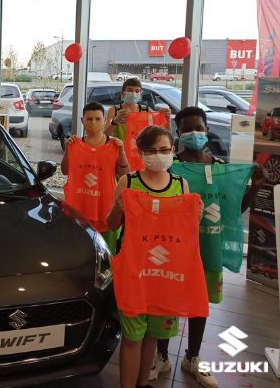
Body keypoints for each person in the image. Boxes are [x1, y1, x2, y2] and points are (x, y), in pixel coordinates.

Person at [150, 106, 266, 387]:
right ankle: (162, 355)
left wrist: (254, 187)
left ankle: (192, 357)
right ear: (178, 133)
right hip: (176, 251)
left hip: (208, 250)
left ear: (207, 130)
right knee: (169, 302)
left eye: (198, 128)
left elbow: (233, 211)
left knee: (199, 304)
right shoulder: (170, 168)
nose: (194, 133)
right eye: (187, 129)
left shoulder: (219, 168)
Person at [107, 125, 190, 388]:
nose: (159, 155)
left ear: (173, 150)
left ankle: (143, 382)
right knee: (132, 337)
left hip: (165, 273)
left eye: (164, 150)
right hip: (134, 272)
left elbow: (184, 233)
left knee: (152, 335)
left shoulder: (180, 185)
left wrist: (195, 218)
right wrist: (118, 209)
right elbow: (111, 224)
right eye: (152, 151)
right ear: (141, 153)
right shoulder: (128, 182)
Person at [61, 101, 130, 253]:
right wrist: (67, 149)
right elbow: (65, 171)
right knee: (78, 254)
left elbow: (125, 175)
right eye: (89, 119)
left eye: (98, 119)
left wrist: (121, 152)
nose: (93, 123)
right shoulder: (74, 144)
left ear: (104, 120)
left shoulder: (114, 146)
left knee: (106, 257)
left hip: (105, 215)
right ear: (82, 120)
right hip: (78, 215)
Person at [104, 77, 170, 141]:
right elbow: (104, 135)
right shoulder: (114, 110)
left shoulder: (146, 110)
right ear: (122, 93)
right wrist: (116, 120)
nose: (133, 93)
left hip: (141, 147)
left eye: (137, 91)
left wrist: (167, 119)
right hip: (120, 148)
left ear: (140, 95)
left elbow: (165, 134)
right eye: (129, 90)